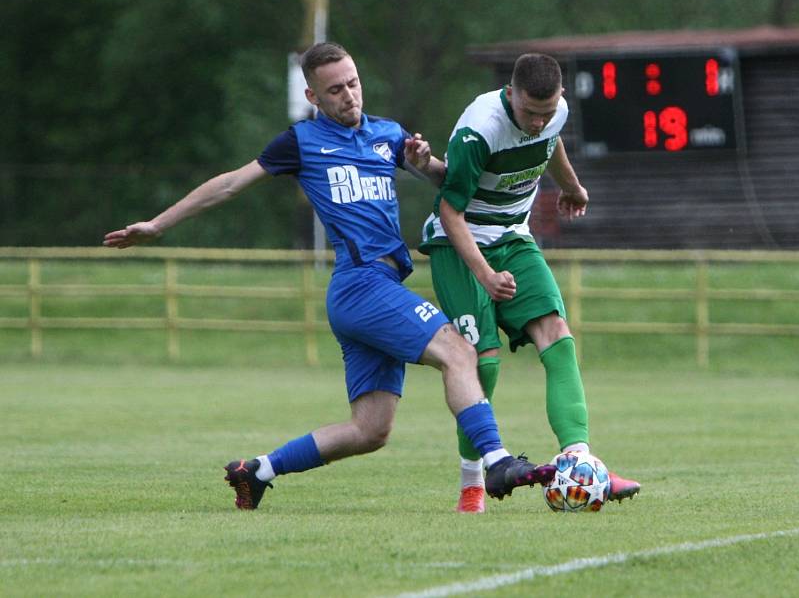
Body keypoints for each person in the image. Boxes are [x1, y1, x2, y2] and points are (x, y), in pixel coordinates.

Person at [104, 42, 556, 510]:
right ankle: (497, 460)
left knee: (371, 430)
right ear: (313, 97)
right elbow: (230, 184)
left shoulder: (388, 135)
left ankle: (258, 470)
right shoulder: (300, 142)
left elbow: (451, 182)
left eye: (353, 83)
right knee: (459, 352)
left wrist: (426, 164)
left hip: (375, 290)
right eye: (335, 90)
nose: (349, 96)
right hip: (361, 285)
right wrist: (158, 224)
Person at [419, 52, 641, 513]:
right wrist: (485, 274)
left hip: (513, 236)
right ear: (512, 94)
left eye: (548, 112)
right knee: (483, 365)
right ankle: (472, 483)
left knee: (558, 336)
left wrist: (571, 187)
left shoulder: (554, 111)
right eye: (530, 113)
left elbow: (551, 142)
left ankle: (579, 462)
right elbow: (449, 210)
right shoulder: (479, 129)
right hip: (460, 245)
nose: (539, 122)